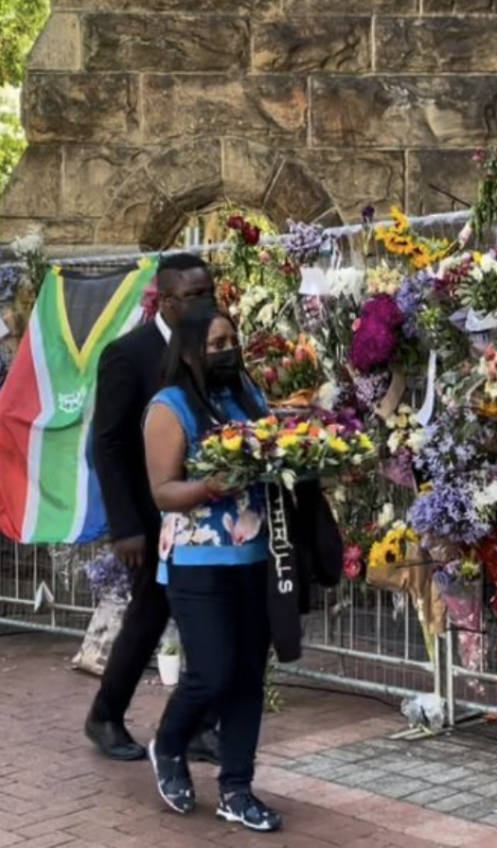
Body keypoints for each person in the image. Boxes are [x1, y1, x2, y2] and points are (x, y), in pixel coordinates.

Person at [144, 303, 281, 833]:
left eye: (232, 342)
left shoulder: (249, 397)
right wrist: (206, 487)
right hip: (196, 560)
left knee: (248, 674)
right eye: (215, 344)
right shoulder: (169, 406)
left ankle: (237, 789)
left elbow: (272, 455)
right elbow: (162, 489)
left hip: (254, 557)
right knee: (212, 671)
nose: (227, 352)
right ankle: (170, 743)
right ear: (190, 351)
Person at [86, 253, 220, 763]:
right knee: (148, 616)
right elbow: (109, 445)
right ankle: (104, 715)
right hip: (149, 515)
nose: (207, 303)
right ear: (165, 299)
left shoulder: (211, 346)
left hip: (204, 511)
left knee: (206, 617)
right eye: (195, 295)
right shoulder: (128, 353)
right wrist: (124, 526)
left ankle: (197, 725)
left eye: (210, 291)